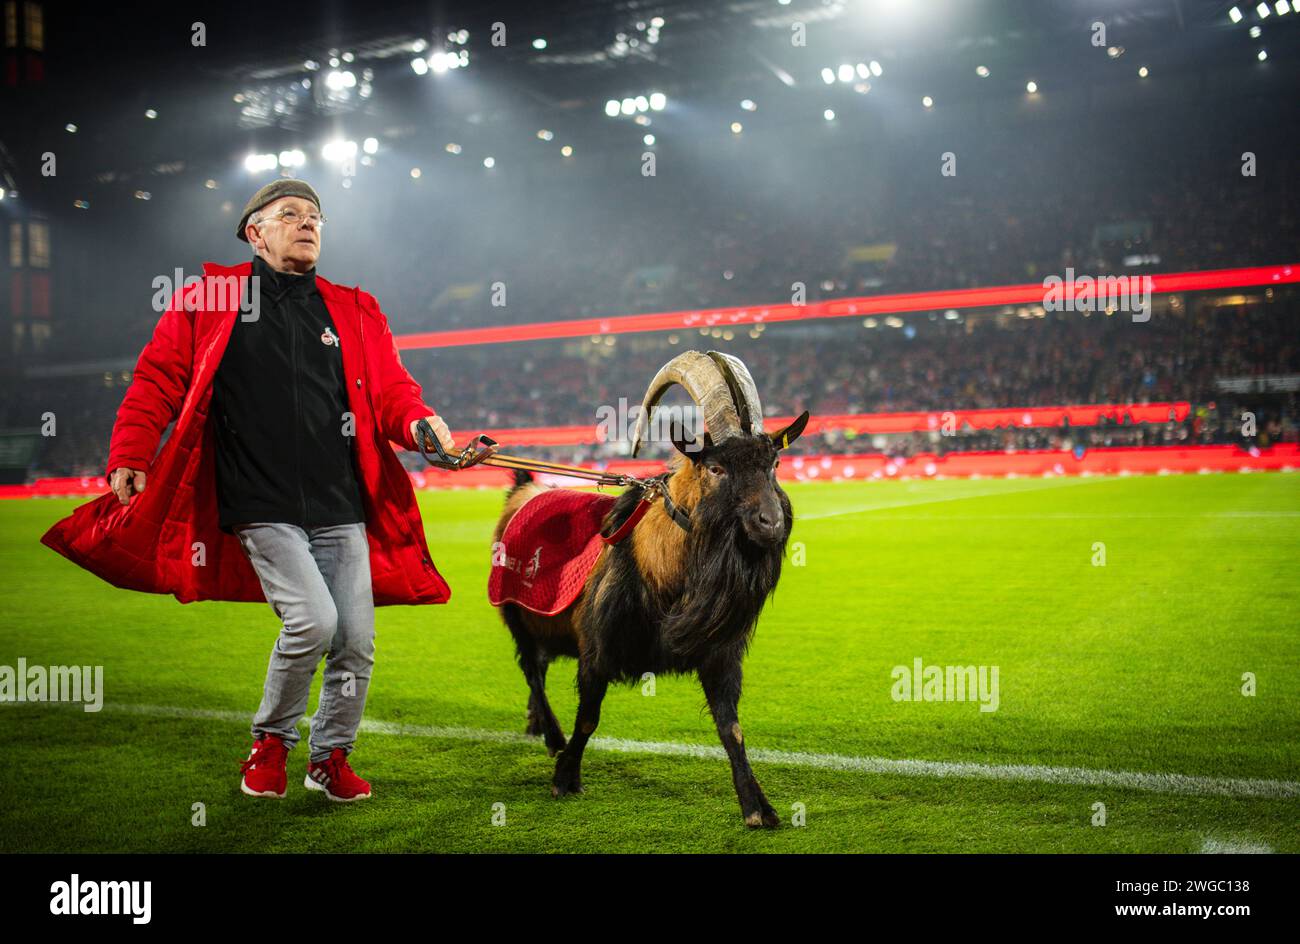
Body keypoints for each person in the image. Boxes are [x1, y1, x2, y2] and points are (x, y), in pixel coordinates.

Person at [40, 179, 456, 803]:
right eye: (290, 214)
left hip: (340, 499)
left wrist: (419, 422)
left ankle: (331, 757)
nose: (308, 223)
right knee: (313, 622)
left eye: (316, 215)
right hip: (259, 499)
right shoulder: (210, 297)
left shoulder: (355, 308)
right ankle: (270, 744)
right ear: (254, 233)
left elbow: (393, 390)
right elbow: (158, 377)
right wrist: (130, 450)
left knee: (356, 641)